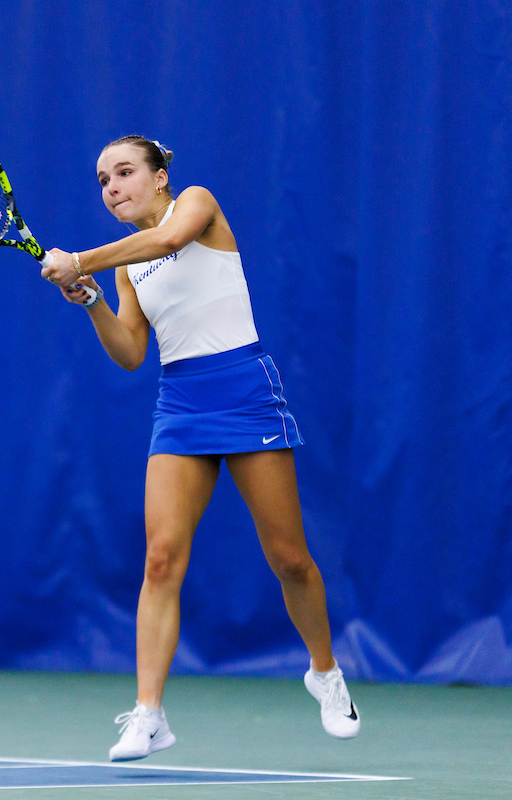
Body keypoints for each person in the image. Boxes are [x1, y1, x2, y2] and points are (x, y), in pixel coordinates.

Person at [40, 135, 359, 762]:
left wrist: (78, 260)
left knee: (290, 558)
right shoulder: (127, 266)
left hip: (244, 390)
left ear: (160, 177)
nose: (112, 188)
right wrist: (93, 300)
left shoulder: (197, 204)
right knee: (161, 560)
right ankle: (150, 714)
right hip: (180, 402)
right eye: (103, 180)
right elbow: (132, 352)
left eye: (124, 172)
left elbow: (166, 241)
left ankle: (324, 672)